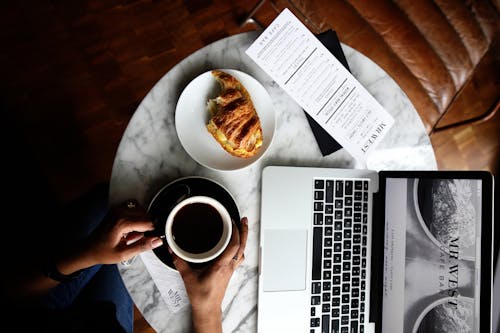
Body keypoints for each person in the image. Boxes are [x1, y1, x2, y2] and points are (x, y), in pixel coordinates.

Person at [2, 182, 248, 333]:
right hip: (104, 322)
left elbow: (15, 294)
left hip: (42, 315)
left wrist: (87, 253)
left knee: (108, 205)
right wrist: (207, 312)